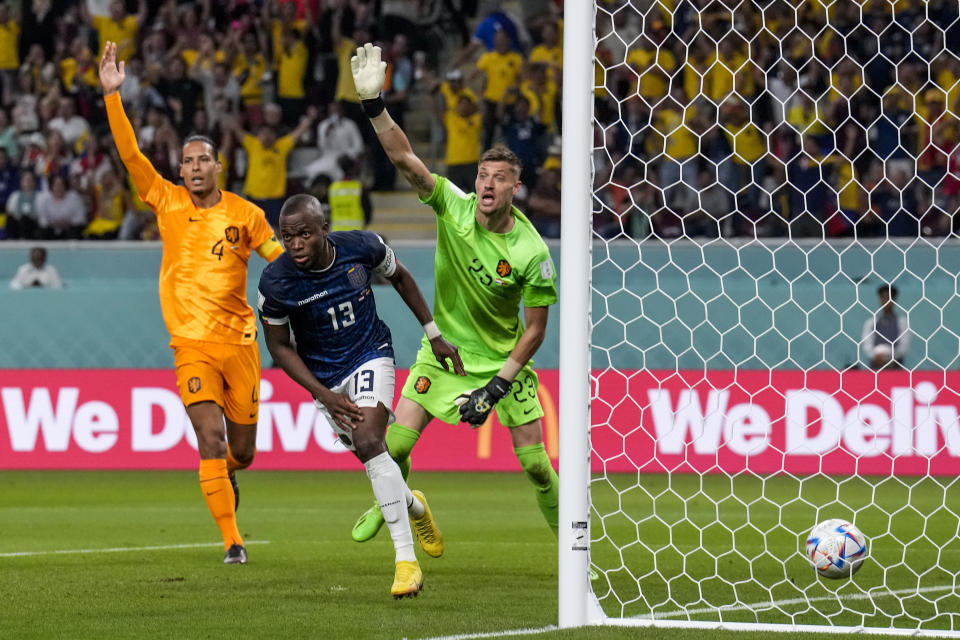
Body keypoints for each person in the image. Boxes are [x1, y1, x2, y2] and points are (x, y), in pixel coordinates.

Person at [348, 44, 560, 549]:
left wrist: (497, 387)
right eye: (483, 175)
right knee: (391, 445)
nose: (487, 184)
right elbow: (404, 157)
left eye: (500, 178)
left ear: (516, 188)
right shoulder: (453, 206)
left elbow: (534, 331)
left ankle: (573, 551)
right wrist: (374, 104)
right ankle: (401, 504)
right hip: (444, 355)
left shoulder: (530, 251)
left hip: (501, 365)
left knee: (535, 467)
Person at [100, 41, 284, 565]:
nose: (196, 167)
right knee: (208, 436)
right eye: (187, 161)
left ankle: (226, 474)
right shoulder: (165, 201)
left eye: (204, 159)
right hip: (191, 345)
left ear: (219, 166)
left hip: (241, 345)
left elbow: (275, 259)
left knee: (240, 453)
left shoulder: (247, 215)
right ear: (180, 172)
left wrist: (306, 275)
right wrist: (113, 97)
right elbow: (131, 155)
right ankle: (233, 541)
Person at [257, 194, 464, 598]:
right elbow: (280, 347)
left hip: (370, 354)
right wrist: (323, 395)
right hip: (325, 380)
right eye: (287, 237)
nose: (295, 244)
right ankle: (416, 506)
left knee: (371, 442)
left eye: (304, 234)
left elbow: (401, 276)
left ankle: (406, 563)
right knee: (375, 460)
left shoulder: (362, 247)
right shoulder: (275, 282)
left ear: (324, 230)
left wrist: (433, 333)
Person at [861, 284, 911, 370]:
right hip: (875, 367)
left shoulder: (902, 322)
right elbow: (866, 344)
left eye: (889, 298)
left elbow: (904, 346)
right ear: (879, 299)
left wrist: (889, 357)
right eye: (883, 298)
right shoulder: (871, 322)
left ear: (894, 300)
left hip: (895, 367)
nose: (886, 301)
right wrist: (875, 356)